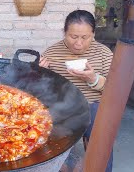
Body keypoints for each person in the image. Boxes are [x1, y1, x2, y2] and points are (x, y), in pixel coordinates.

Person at [39, 10, 114, 172]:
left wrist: (93, 79)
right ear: (64, 33)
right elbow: (42, 91)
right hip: (62, 109)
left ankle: (99, 167)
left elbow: (116, 92)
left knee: (97, 117)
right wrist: (39, 74)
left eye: (85, 37)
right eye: (73, 37)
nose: (78, 43)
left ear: (93, 34)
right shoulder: (51, 53)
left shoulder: (104, 54)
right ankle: (62, 167)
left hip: (94, 107)